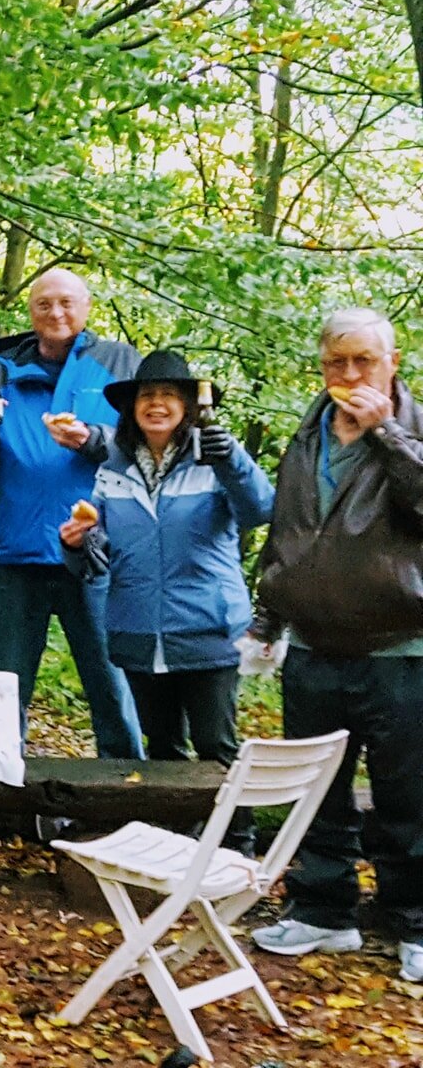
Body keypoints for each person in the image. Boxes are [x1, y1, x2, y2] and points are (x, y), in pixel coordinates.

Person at [247, 309, 423, 982]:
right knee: (315, 791)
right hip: (315, 647)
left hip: (401, 648)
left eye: (364, 361)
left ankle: (414, 919)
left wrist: (387, 434)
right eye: (336, 363)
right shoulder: (307, 431)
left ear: (391, 362)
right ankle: (324, 911)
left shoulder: (412, 426)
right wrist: (268, 617)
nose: (350, 376)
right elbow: (288, 531)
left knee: (408, 796)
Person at [0, 268, 144, 758]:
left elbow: (152, 446)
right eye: (44, 304)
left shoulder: (118, 362)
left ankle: (128, 787)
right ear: (31, 312)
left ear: (86, 307)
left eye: (66, 303)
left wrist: (94, 440)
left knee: (112, 682)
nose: (56, 314)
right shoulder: (2, 369)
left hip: (97, 551)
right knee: (1, 685)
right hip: (18, 550)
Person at [59, 350, 271, 770]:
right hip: (136, 631)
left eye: (169, 395)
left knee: (216, 748)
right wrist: (75, 545)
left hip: (207, 630)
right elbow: (96, 562)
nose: (157, 404)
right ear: (131, 408)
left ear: (188, 406)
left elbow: (260, 510)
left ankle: (236, 837)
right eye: (147, 395)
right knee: (162, 753)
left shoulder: (215, 457)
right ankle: (173, 834)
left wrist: (232, 460)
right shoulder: (112, 468)